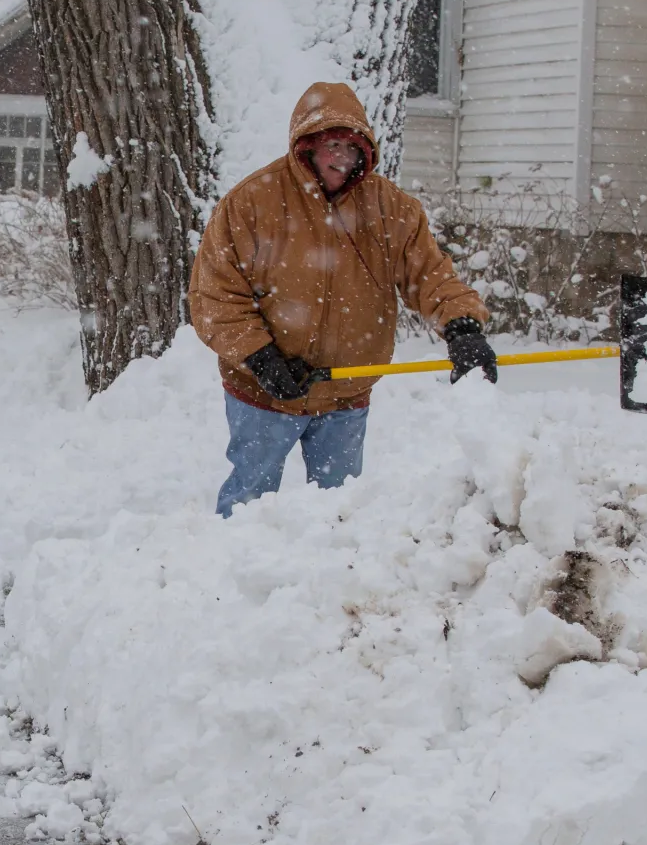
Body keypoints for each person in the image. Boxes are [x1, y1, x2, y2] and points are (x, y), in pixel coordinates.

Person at [188, 81, 496, 518]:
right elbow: (215, 295)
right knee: (249, 502)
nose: (341, 158)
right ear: (307, 148)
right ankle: (230, 575)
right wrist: (261, 358)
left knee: (340, 512)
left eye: (352, 148)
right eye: (331, 145)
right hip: (263, 393)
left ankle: (329, 583)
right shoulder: (252, 202)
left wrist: (462, 328)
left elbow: (430, 275)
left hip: (345, 392)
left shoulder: (391, 208)